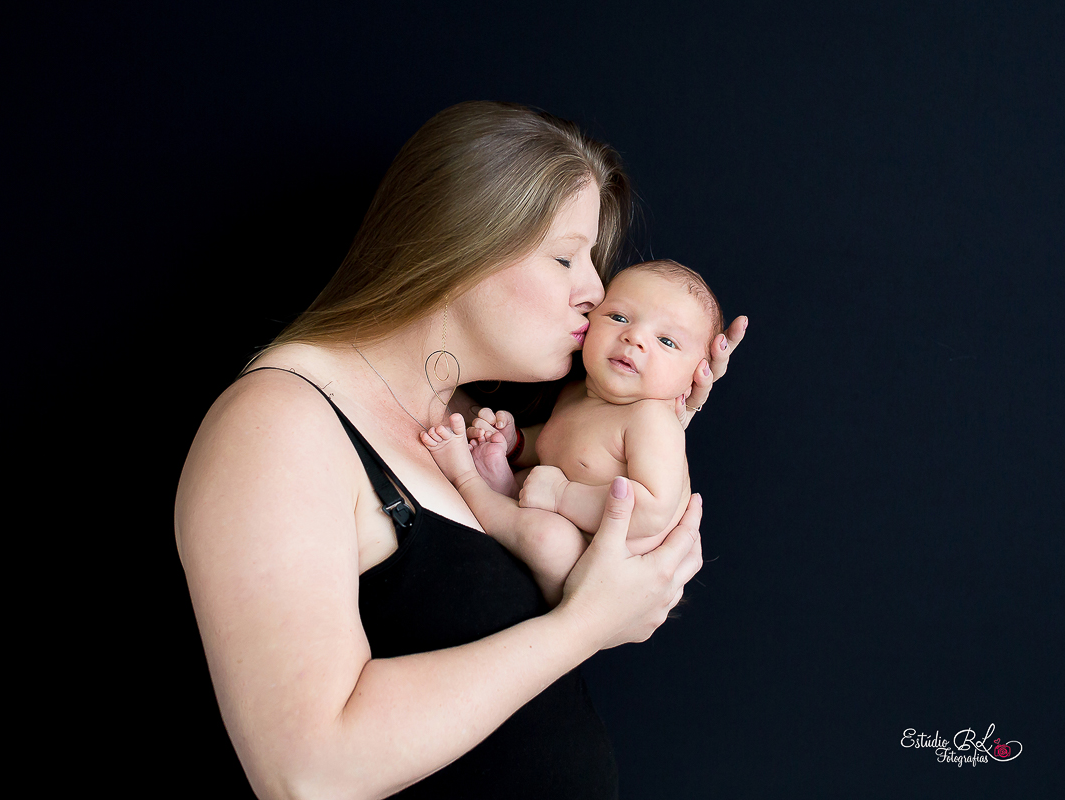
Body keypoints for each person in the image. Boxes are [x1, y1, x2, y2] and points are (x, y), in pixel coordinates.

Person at [174, 101, 747, 800]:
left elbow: (619, 583)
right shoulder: (279, 425)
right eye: (567, 257)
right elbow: (307, 773)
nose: (596, 293)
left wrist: (650, 424)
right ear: (461, 245)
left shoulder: (479, 424)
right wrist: (581, 630)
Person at [421, 259, 724, 604]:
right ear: (589, 322)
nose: (634, 337)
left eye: (667, 341)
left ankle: (468, 481)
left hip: (603, 567)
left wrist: (561, 495)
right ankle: (504, 485)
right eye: (619, 317)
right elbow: (556, 447)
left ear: (696, 377)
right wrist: (516, 443)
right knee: (539, 510)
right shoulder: (575, 393)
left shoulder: (652, 421)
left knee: (549, 540)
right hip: (544, 512)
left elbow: (651, 510)